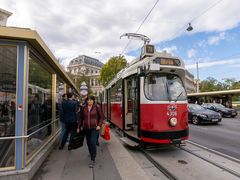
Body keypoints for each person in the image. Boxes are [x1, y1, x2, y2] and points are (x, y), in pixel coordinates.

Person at [77, 95, 104, 168]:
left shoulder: (97, 107)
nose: (89, 101)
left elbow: (101, 117)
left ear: (93, 100)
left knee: (92, 142)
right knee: (88, 142)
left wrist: (99, 125)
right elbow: (80, 118)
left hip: (94, 128)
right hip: (86, 128)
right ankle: (91, 152)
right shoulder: (83, 107)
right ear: (86, 101)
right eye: (88, 100)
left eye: (91, 100)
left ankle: (93, 159)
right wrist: (78, 127)